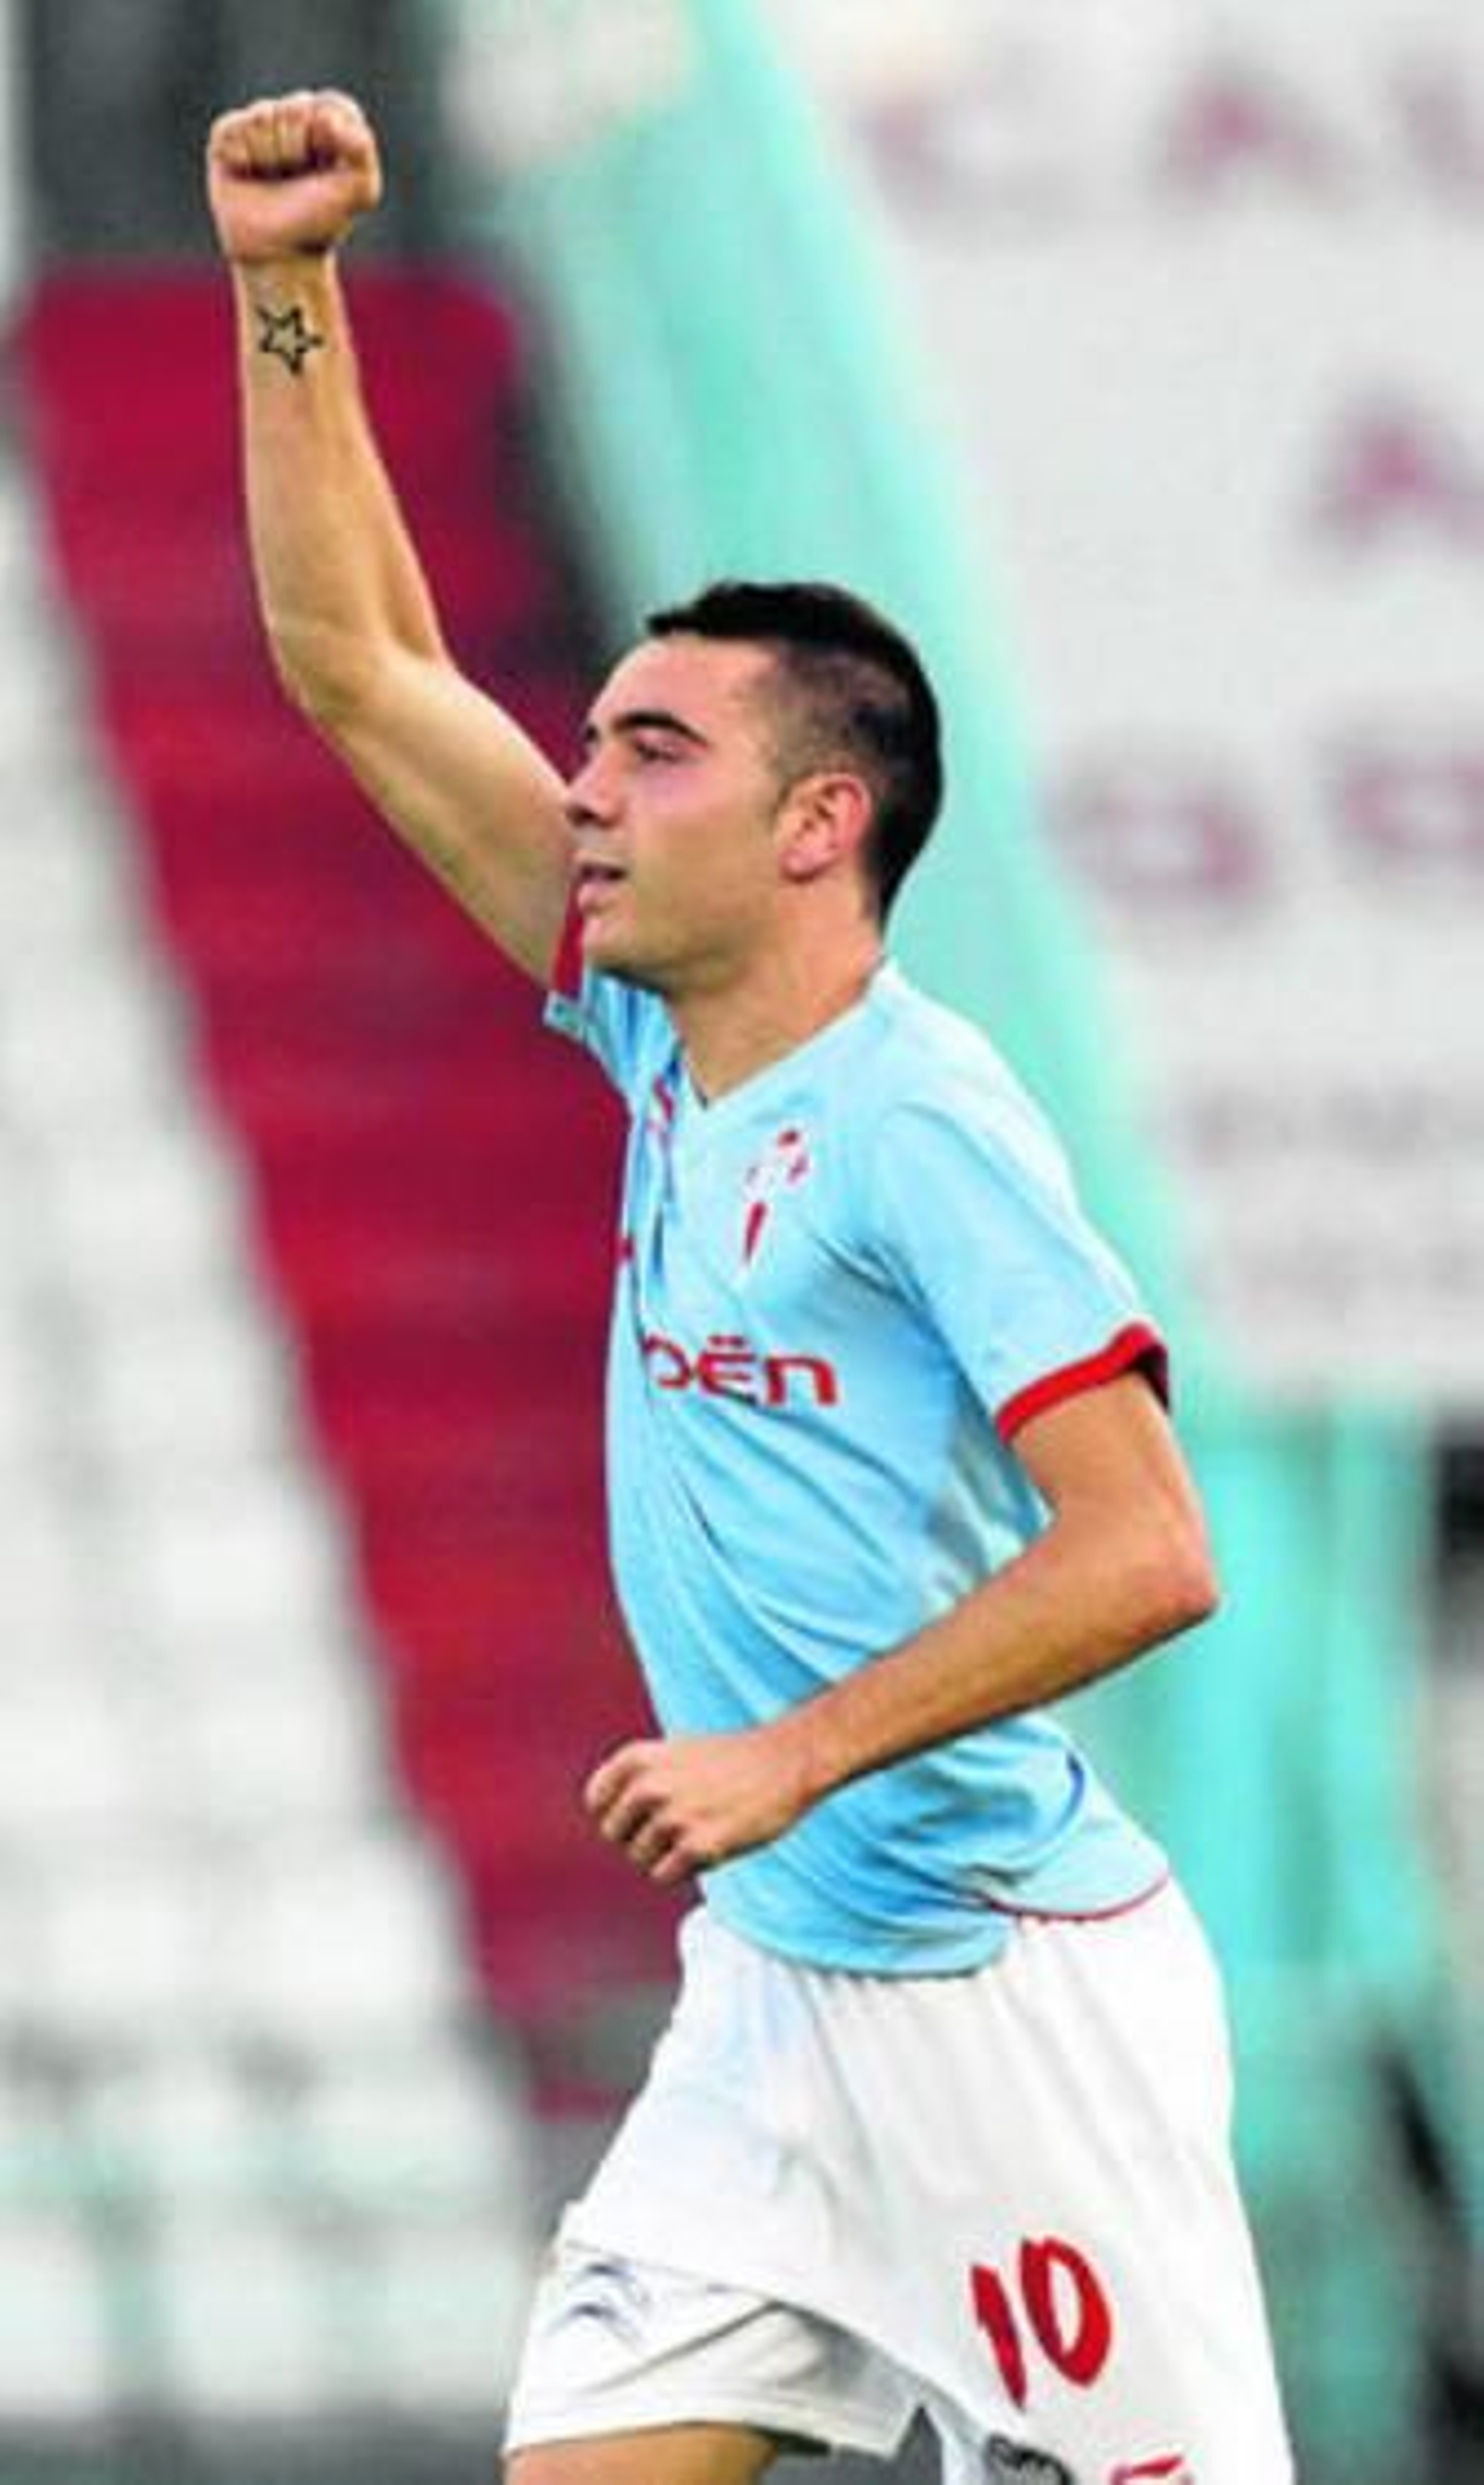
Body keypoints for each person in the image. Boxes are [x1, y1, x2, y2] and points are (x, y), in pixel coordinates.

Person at [206, 88, 1294, 2485]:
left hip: (1008, 2007)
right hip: (778, 2006)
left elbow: (1155, 1545)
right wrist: (286, 289)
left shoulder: (928, 1124)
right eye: (591, 737)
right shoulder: (654, 1020)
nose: (584, 782)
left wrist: (788, 1757)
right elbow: (360, 670)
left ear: (822, 824)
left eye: (652, 749)